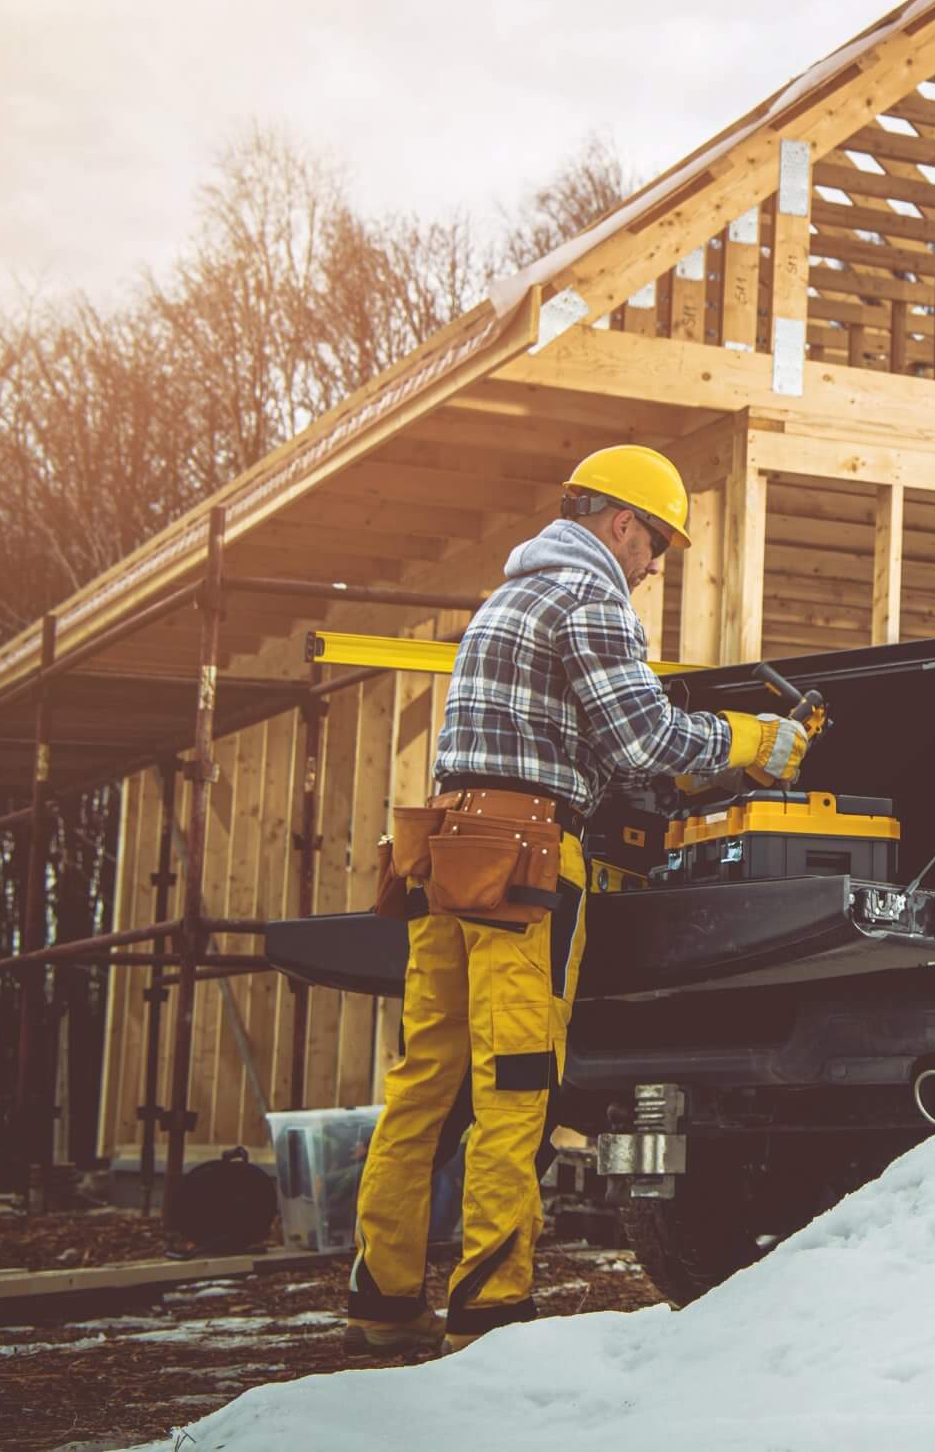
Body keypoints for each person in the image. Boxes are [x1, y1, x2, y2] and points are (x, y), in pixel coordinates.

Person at [343, 444, 807, 1356]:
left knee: (425, 1085)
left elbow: (563, 742)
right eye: (657, 547)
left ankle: (383, 1301)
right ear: (621, 522)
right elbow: (641, 740)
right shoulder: (590, 596)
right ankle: (490, 1314)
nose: (650, 569)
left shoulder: (508, 596)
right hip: (521, 862)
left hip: (445, 853)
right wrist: (754, 739)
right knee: (517, 1080)